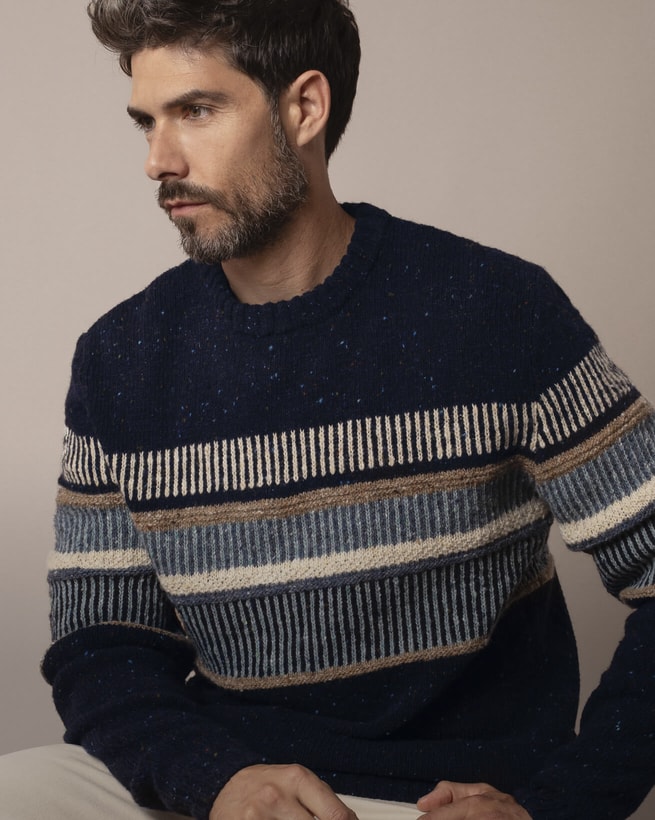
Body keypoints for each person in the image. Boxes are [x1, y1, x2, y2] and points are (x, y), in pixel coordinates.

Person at [1, 1, 653, 818]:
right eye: (146, 122)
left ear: (304, 107)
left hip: (435, 801)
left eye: (195, 111)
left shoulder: (494, 310)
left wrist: (559, 805)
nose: (157, 160)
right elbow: (102, 644)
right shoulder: (119, 358)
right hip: (230, 787)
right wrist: (216, 780)